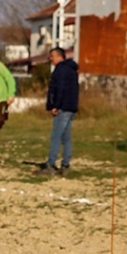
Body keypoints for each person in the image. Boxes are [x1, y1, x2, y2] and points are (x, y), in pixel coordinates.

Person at [34, 47, 79, 176]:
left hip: (62, 108)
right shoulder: (72, 69)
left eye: (52, 56)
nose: (50, 59)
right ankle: (65, 165)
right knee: (66, 138)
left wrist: (55, 105)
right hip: (71, 107)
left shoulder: (61, 70)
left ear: (59, 56)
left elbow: (60, 89)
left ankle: (51, 165)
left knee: (56, 137)